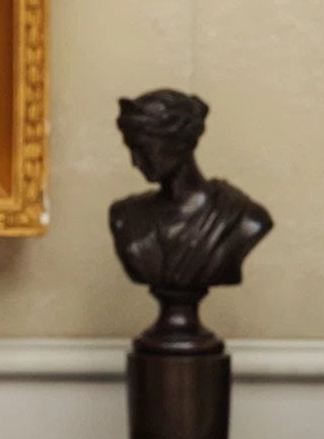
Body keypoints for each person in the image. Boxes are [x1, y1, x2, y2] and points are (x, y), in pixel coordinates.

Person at [109, 89, 271, 318]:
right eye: (131, 149)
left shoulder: (244, 218)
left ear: (181, 143)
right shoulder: (124, 216)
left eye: (145, 149)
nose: (135, 162)